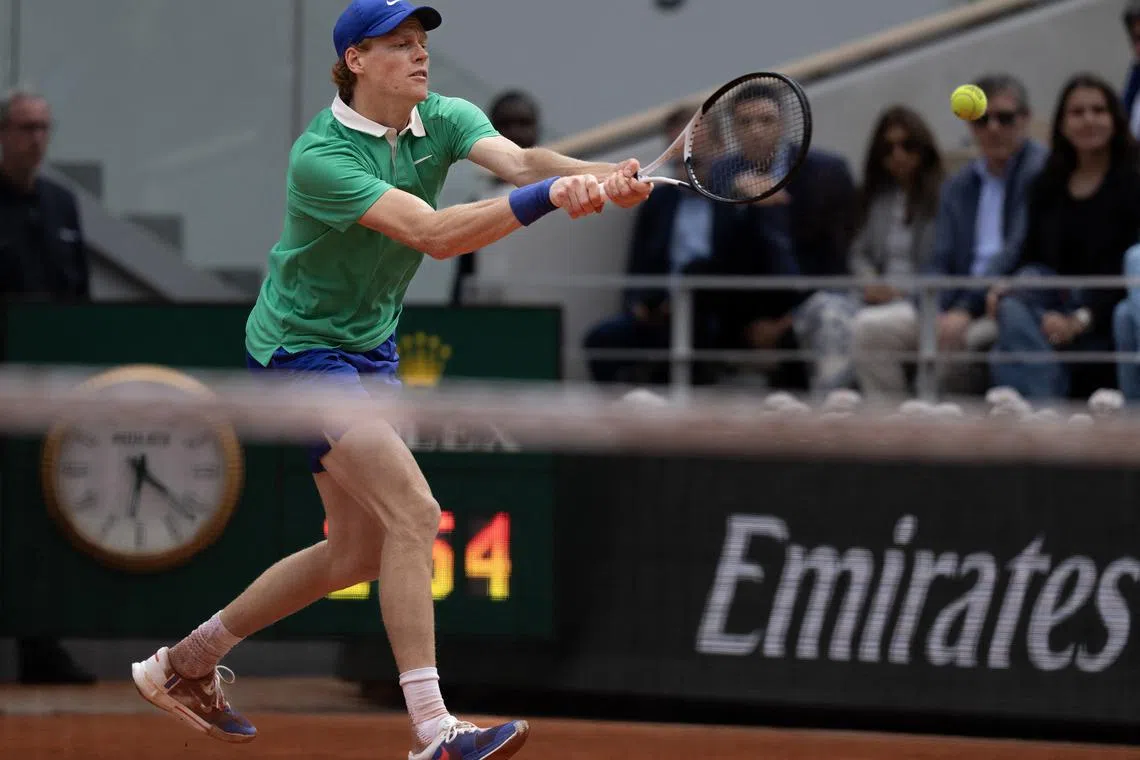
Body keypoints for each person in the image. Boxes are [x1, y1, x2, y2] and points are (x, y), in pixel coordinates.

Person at [129, 3, 651, 760]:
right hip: (300, 352)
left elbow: (521, 163)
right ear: (356, 60)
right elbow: (432, 236)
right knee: (415, 512)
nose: (420, 55)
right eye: (400, 44)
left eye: (423, 42)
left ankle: (184, 664)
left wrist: (603, 178)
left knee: (355, 554)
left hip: (371, 350)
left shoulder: (444, 116)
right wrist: (550, 200)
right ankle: (434, 731)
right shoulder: (321, 157)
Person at [852, 74, 1047, 399]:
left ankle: (936, 427)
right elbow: (938, 260)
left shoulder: (1040, 171)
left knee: (952, 346)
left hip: (1003, 302)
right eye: (982, 120)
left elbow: (1015, 251)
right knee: (870, 330)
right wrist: (934, 308)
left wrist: (965, 310)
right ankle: (891, 427)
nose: (993, 128)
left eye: (1005, 118)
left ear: (1025, 119)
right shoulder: (958, 185)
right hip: (953, 304)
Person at [0, 87, 95, 686]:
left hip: (52, 396)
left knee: (43, 517)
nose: (35, 138)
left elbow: (78, 296)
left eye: (43, 128)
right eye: (24, 127)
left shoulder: (62, 203)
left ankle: (41, 648)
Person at [990, 73, 1140, 399]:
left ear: (1115, 119)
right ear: (1062, 123)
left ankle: (1045, 405)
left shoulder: (1133, 181)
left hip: (1105, 306)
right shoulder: (1047, 183)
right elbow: (1031, 256)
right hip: (1052, 301)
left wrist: (1078, 320)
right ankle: (1049, 402)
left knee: (1008, 351)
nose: (1088, 120)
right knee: (1010, 304)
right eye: (1077, 112)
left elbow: (1127, 272)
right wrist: (1008, 288)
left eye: (1098, 110)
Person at [849, 106, 944, 390]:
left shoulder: (945, 197)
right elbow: (859, 253)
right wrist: (870, 282)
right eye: (888, 149)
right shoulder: (876, 198)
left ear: (923, 148)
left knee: (868, 327)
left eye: (907, 146)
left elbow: (944, 261)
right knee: (828, 314)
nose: (898, 155)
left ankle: (887, 414)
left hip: (921, 300)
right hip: (874, 298)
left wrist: (903, 291)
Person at [450, 90, 541, 305]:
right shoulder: (476, 204)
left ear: (537, 129)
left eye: (523, 123)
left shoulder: (558, 197)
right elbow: (464, 282)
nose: (515, 132)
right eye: (505, 124)